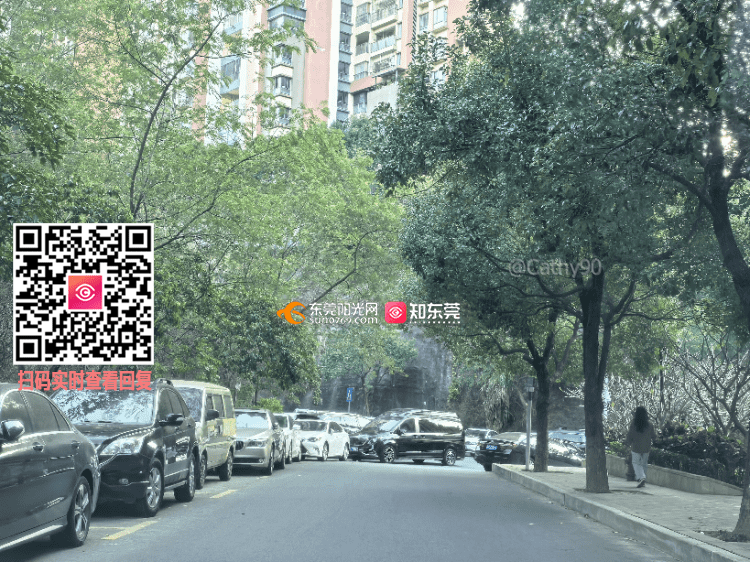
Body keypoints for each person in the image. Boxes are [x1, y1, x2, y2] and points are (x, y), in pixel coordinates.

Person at [626, 406, 658, 488]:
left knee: (636, 463)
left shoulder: (634, 424)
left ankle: (641, 477)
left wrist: (627, 443)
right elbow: (653, 436)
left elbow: (630, 435)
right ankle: (642, 478)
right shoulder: (650, 424)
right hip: (646, 447)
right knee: (644, 464)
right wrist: (657, 440)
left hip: (636, 447)